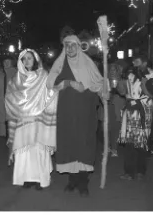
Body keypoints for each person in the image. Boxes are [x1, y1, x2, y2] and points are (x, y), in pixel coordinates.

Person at [47, 35, 109, 197]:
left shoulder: (88, 63)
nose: (70, 48)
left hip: (85, 112)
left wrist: (104, 92)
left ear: (78, 46)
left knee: (84, 144)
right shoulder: (60, 64)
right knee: (69, 143)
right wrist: (69, 83)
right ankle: (72, 180)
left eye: (73, 45)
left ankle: (83, 181)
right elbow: (50, 83)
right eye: (67, 45)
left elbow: (98, 84)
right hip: (66, 112)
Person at [5, 49, 59, 190]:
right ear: (20, 61)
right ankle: (27, 178)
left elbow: (51, 93)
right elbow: (10, 98)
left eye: (29, 58)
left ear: (35, 60)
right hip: (23, 119)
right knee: (24, 150)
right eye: (24, 59)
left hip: (39, 119)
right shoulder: (16, 79)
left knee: (38, 149)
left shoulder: (43, 75)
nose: (27, 61)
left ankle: (41, 178)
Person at [117, 54, 153, 181]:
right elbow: (122, 92)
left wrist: (144, 82)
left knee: (141, 142)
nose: (134, 62)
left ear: (145, 62)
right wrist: (118, 83)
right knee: (129, 142)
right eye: (134, 61)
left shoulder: (152, 75)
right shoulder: (129, 74)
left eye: (137, 60)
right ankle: (128, 171)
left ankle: (140, 170)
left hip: (144, 110)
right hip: (130, 110)